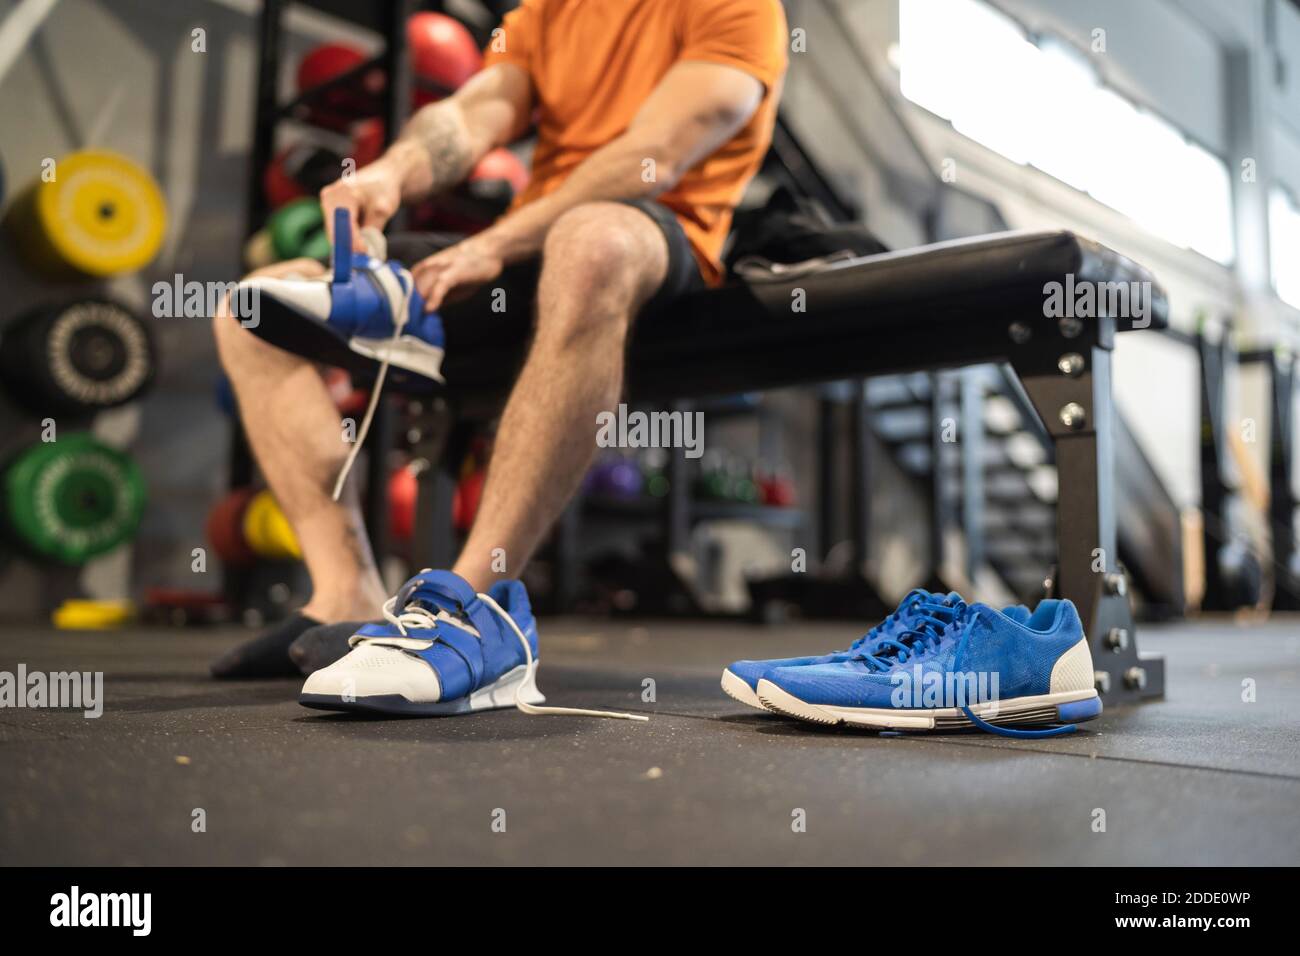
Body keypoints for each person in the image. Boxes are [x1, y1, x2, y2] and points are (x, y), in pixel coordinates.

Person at [209, 0, 790, 695]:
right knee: (254, 302)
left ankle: (474, 610)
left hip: (655, 237)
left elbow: (655, 155)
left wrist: (490, 244)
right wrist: (392, 171)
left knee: (591, 241)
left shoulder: (740, 6)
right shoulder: (546, 11)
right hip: (527, 243)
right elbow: (473, 111)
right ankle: (345, 595)